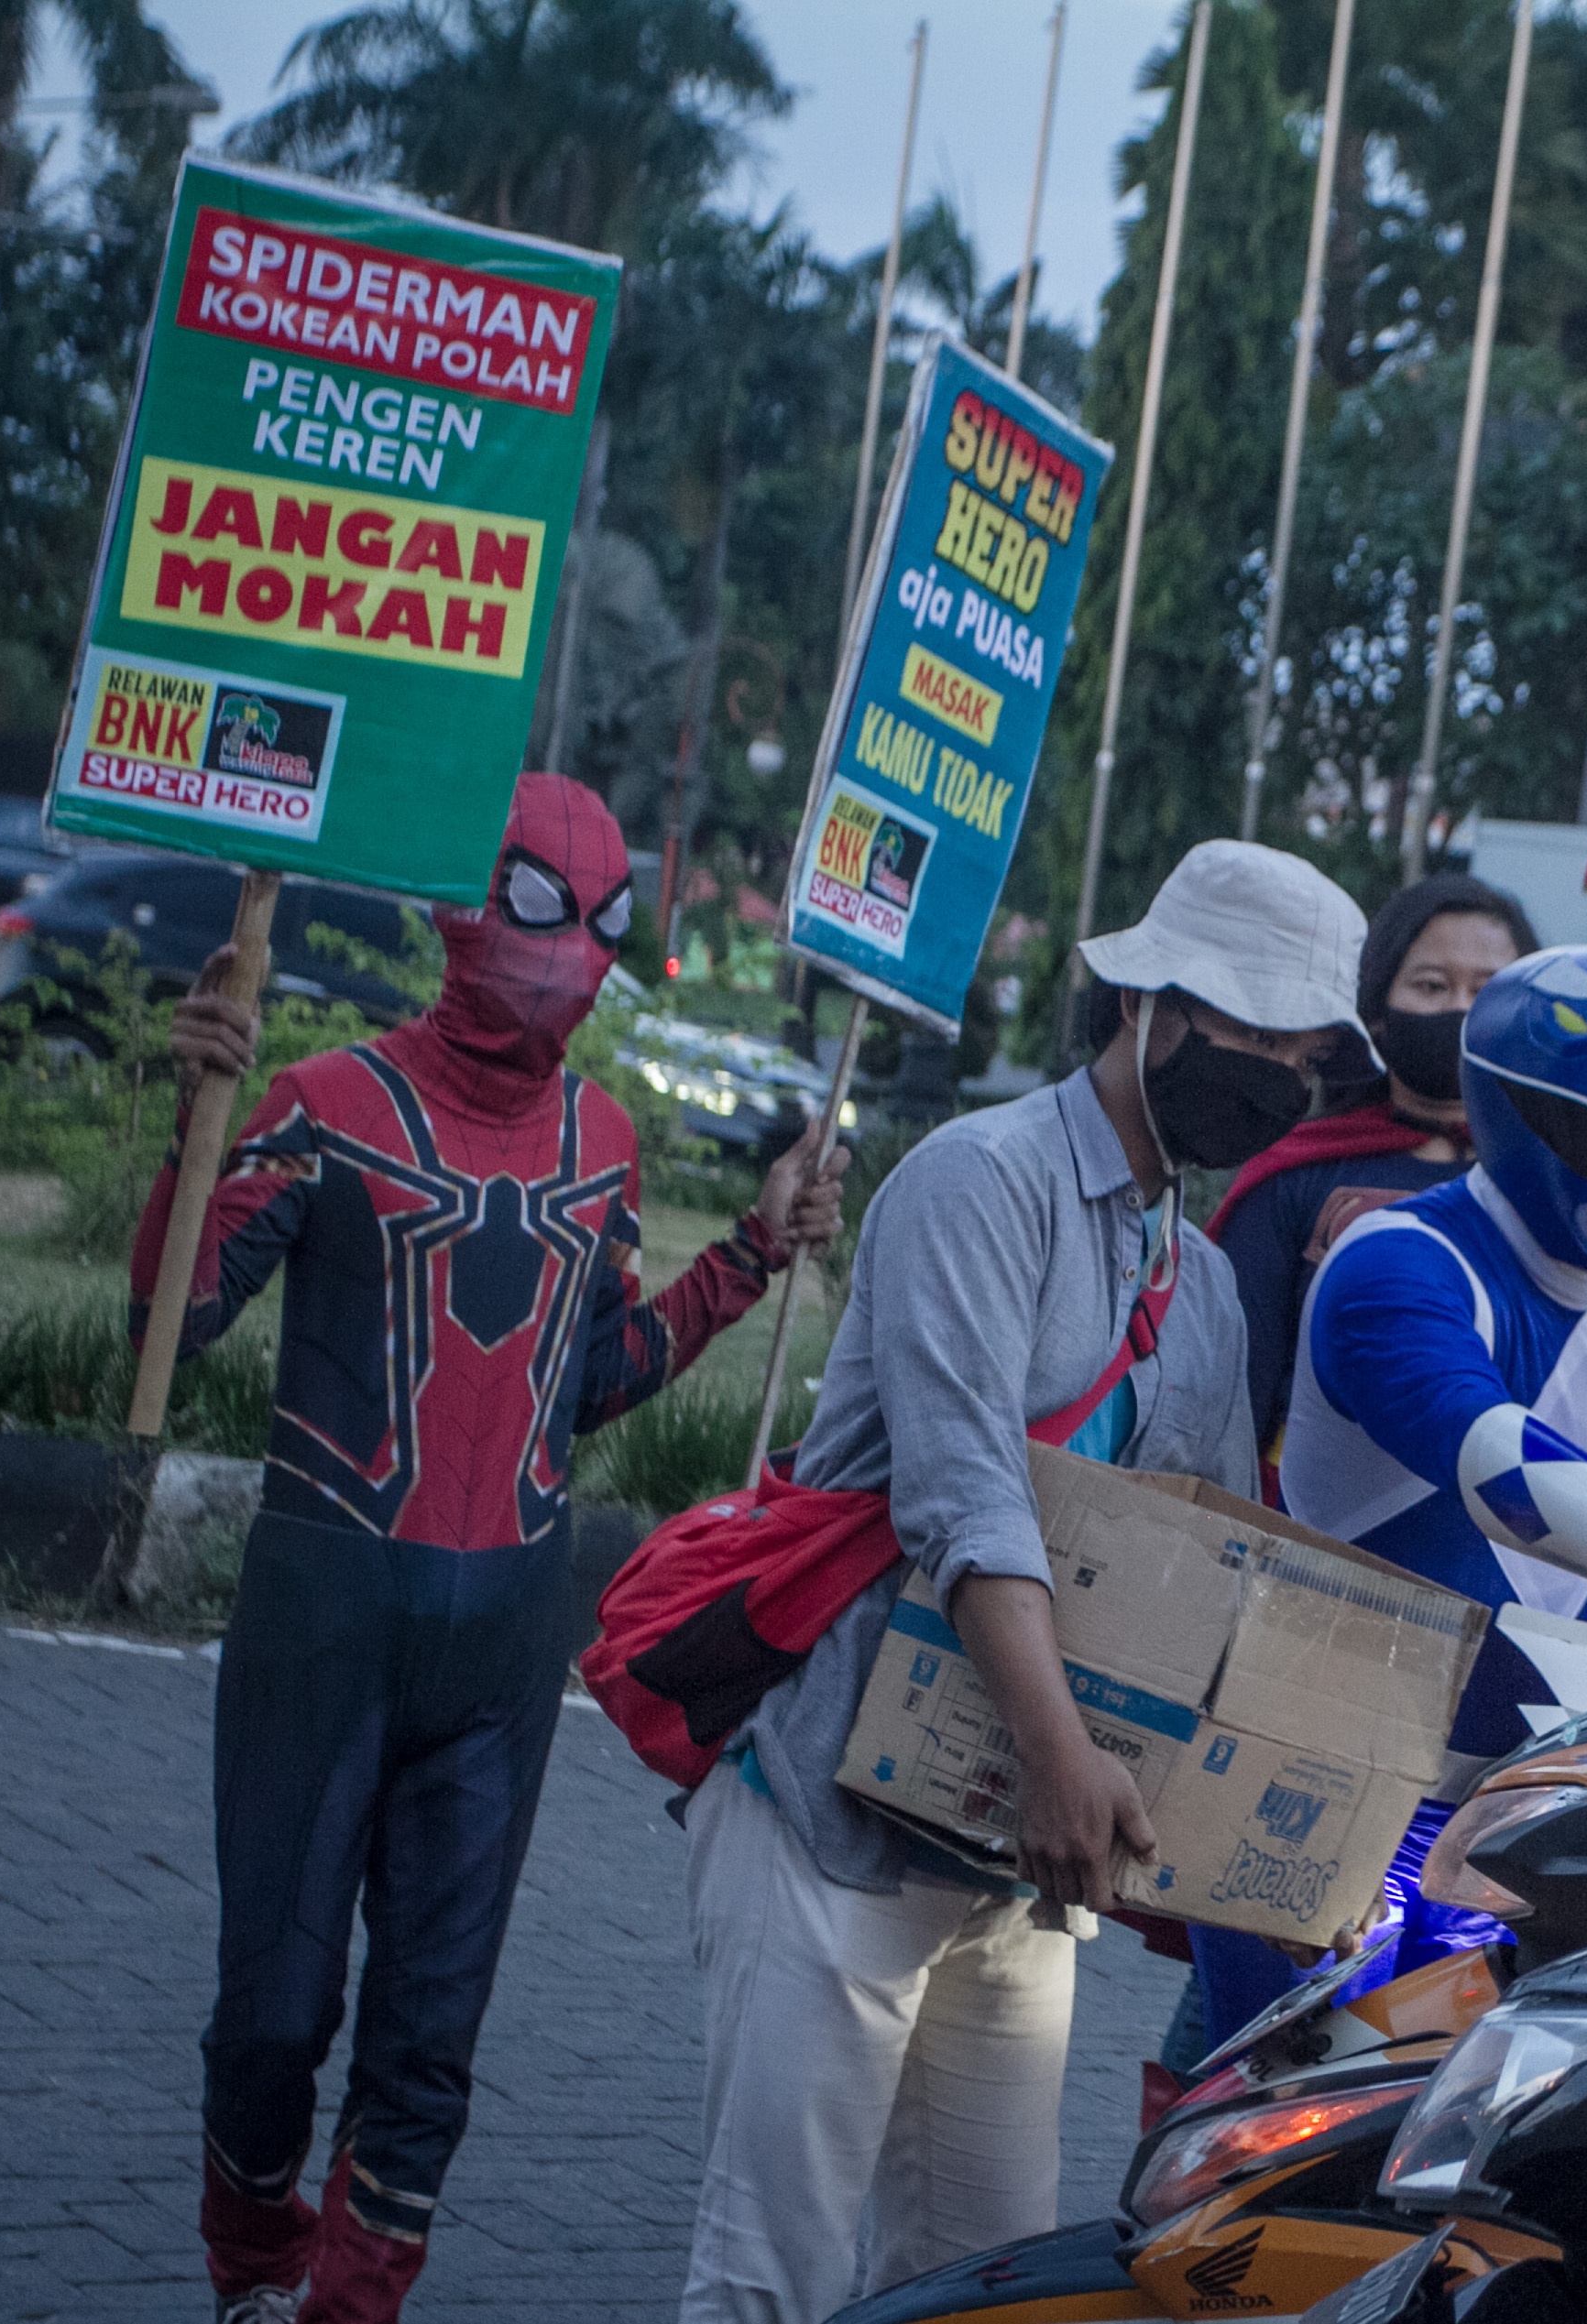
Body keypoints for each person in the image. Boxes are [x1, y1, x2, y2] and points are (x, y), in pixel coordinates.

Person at [140, 773, 848, 2324]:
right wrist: (191, 1116)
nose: (573, 949)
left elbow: (585, 1382)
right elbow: (169, 1326)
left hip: (504, 1644)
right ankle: (254, 2260)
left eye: (605, 921)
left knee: (432, 2032)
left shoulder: (604, 1139)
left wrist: (744, 1251)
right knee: (272, 2013)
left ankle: (349, 2303)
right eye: (541, 904)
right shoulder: (322, 1104)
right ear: (466, 900)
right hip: (321, 1619)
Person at [672, 840, 1363, 2324]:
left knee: (980, 2279)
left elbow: (1216, 1566)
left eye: (1302, 1057)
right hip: (831, 1811)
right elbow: (959, 1496)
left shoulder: (1208, 1282)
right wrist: (1063, 1753)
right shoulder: (976, 1182)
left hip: (1011, 1851)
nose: (1276, 1077)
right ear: (1146, 1005)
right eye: (1249, 1033)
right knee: (770, 2271)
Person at [1223, 945, 1587, 2043]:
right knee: (1282, 2127)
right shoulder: (1395, 1261)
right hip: (1333, 1794)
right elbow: (1483, 1445)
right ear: (1522, 1112)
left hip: (1530, 1817)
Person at [1206, 876, 1587, 1483]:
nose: (1462, 1008)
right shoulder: (1300, 1174)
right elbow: (1229, 1395)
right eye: (1431, 985)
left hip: (1532, 1523)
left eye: (1487, 988)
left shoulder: (1572, 1185)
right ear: (1378, 1011)